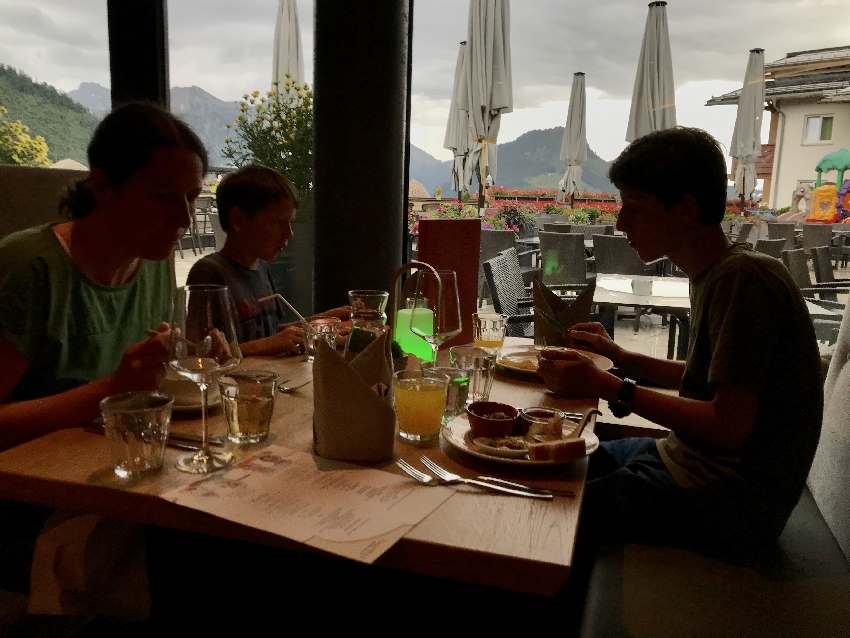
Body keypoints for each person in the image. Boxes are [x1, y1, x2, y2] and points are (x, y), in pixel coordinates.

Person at [538, 127, 822, 551]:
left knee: (545, 511)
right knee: (548, 459)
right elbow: (709, 380)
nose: (619, 223)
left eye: (634, 208)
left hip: (729, 500)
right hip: (689, 463)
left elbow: (728, 427)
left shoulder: (743, 280)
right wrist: (620, 356)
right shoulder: (719, 271)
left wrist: (610, 386)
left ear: (685, 209)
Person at [0, 102, 207, 451]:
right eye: (163, 197)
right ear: (102, 186)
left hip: (114, 463)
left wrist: (190, 357)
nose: (185, 219)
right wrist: (113, 389)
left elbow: (141, 382)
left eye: (192, 197)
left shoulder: (153, 261)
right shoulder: (29, 268)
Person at [187, 165, 348, 356]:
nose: (289, 233)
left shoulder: (261, 268)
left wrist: (324, 319)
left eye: (290, 223)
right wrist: (262, 346)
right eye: (278, 222)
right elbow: (197, 355)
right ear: (238, 220)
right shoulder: (209, 273)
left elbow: (272, 335)